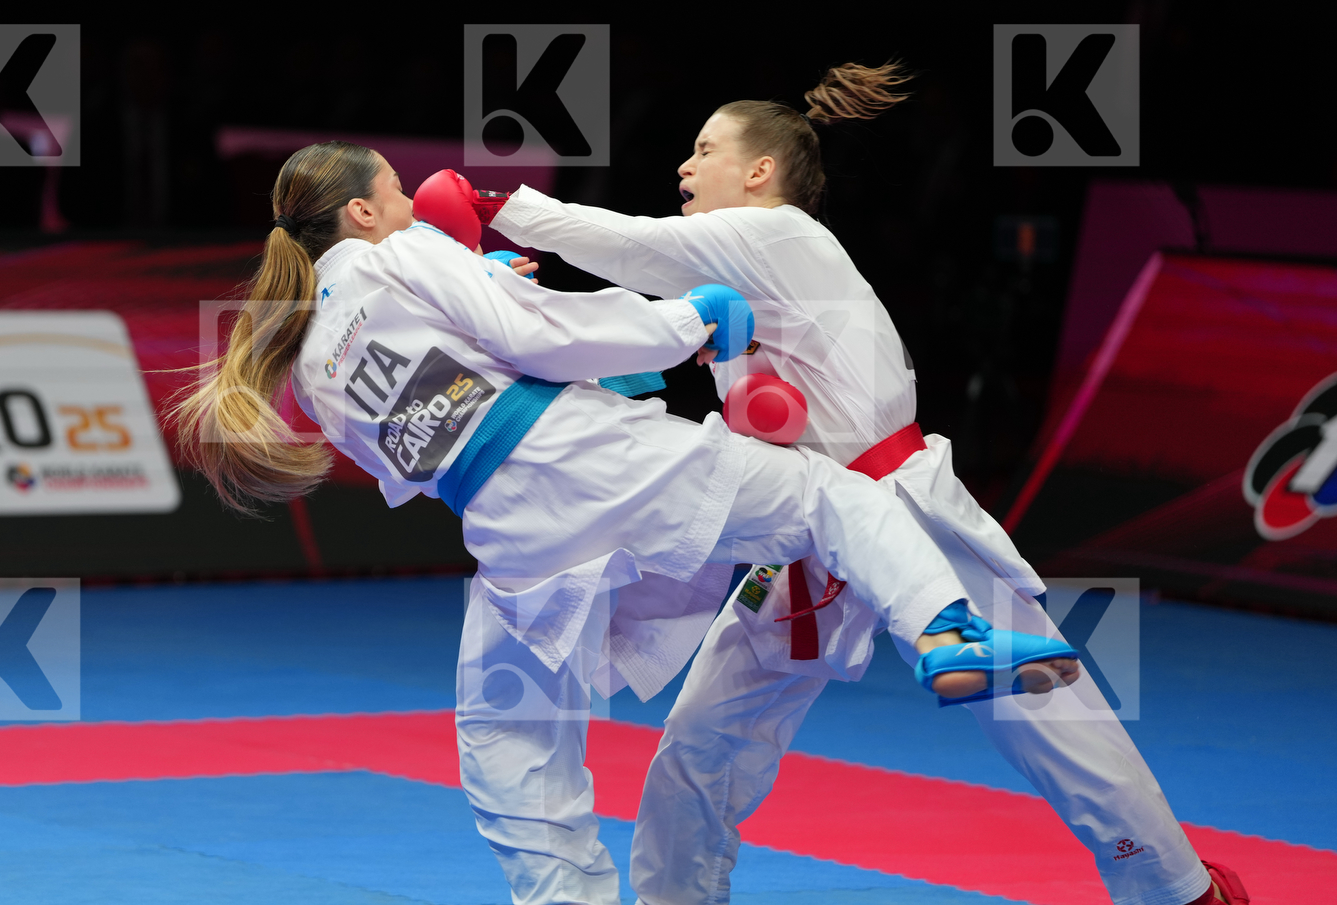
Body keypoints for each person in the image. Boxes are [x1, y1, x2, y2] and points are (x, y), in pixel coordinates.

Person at [176, 140, 1078, 905]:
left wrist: (475, 305)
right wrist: (684, 320)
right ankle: (945, 632)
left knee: (506, 733)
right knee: (827, 498)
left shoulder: (306, 363)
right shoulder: (404, 254)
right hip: (596, 466)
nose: (411, 204)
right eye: (397, 193)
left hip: (509, 530)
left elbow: (416, 453)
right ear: (363, 217)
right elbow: (549, 340)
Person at [477, 66, 1250, 905]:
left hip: (906, 513)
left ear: (760, 172)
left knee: (1053, 721)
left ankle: (1180, 892)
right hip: (806, 538)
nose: (684, 169)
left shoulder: (777, 236)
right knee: (701, 747)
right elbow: (641, 332)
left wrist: (498, 207)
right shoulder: (734, 290)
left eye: (704, 151)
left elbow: (633, 246)